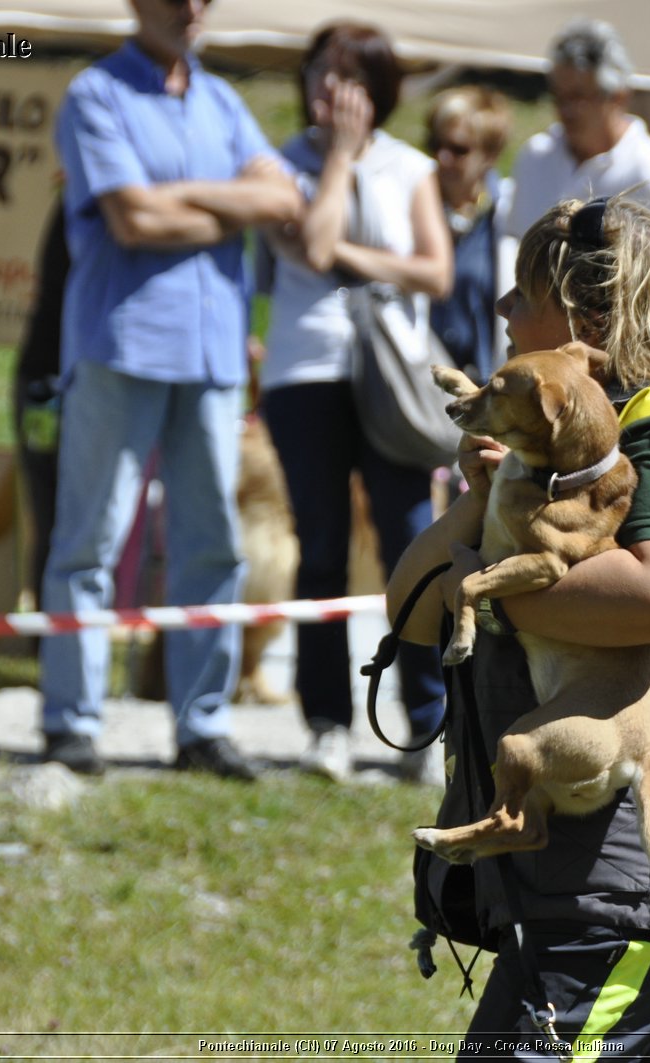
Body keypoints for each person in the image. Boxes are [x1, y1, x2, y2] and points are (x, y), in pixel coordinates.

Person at [387, 196, 650, 1058]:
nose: (500, 312)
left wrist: (490, 586)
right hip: (578, 868)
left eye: (520, 293)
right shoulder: (543, 451)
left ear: (584, 318)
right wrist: (481, 511)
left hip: (630, 851)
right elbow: (410, 611)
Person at [42, 0, 301, 778]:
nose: (191, 9)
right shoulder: (96, 95)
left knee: (211, 544)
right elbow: (130, 220)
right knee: (91, 538)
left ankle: (201, 725)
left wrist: (182, 201)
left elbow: (284, 200)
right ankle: (71, 721)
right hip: (121, 345)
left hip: (214, 352)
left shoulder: (222, 99)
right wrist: (231, 207)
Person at [260, 22, 453, 786]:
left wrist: (346, 253)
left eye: (348, 80)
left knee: (414, 543)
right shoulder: (277, 164)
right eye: (319, 75)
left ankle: (426, 723)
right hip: (305, 367)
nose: (330, 94)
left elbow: (435, 272)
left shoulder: (411, 168)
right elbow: (305, 247)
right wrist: (337, 161)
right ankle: (327, 723)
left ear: (379, 93)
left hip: (395, 376)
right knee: (321, 546)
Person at [501, 18, 650, 245]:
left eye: (579, 96)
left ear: (618, 97)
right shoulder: (534, 157)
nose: (566, 109)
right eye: (559, 96)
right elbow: (515, 246)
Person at [426, 85, 514, 384]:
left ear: (490, 154)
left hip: (486, 384)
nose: (443, 158)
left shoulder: (508, 214)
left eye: (459, 149)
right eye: (435, 144)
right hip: (422, 387)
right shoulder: (414, 207)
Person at [12, 199, 67, 610]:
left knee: (58, 519)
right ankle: (51, 635)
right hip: (47, 386)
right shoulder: (83, 202)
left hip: (46, 382)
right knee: (53, 516)